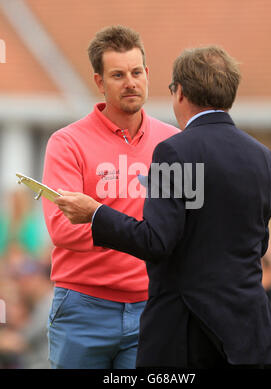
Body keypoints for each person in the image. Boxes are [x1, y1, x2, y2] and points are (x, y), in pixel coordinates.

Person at [55, 46, 271, 368]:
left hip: (186, 331)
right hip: (249, 330)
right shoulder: (260, 155)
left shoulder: (174, 151)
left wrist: (94, 213)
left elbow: (157, 240)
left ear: (179, 92)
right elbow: (258, 240)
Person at [42, 25, 179, 369]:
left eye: (136, 72)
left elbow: (183, 230)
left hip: (152, 307)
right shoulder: (66, 143)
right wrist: (143, 235)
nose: (130, 82)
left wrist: (101, 218)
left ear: (147, 74)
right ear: (100, 82)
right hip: (82, 308)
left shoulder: (174, 143)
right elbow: (62, 229)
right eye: (118, 75)